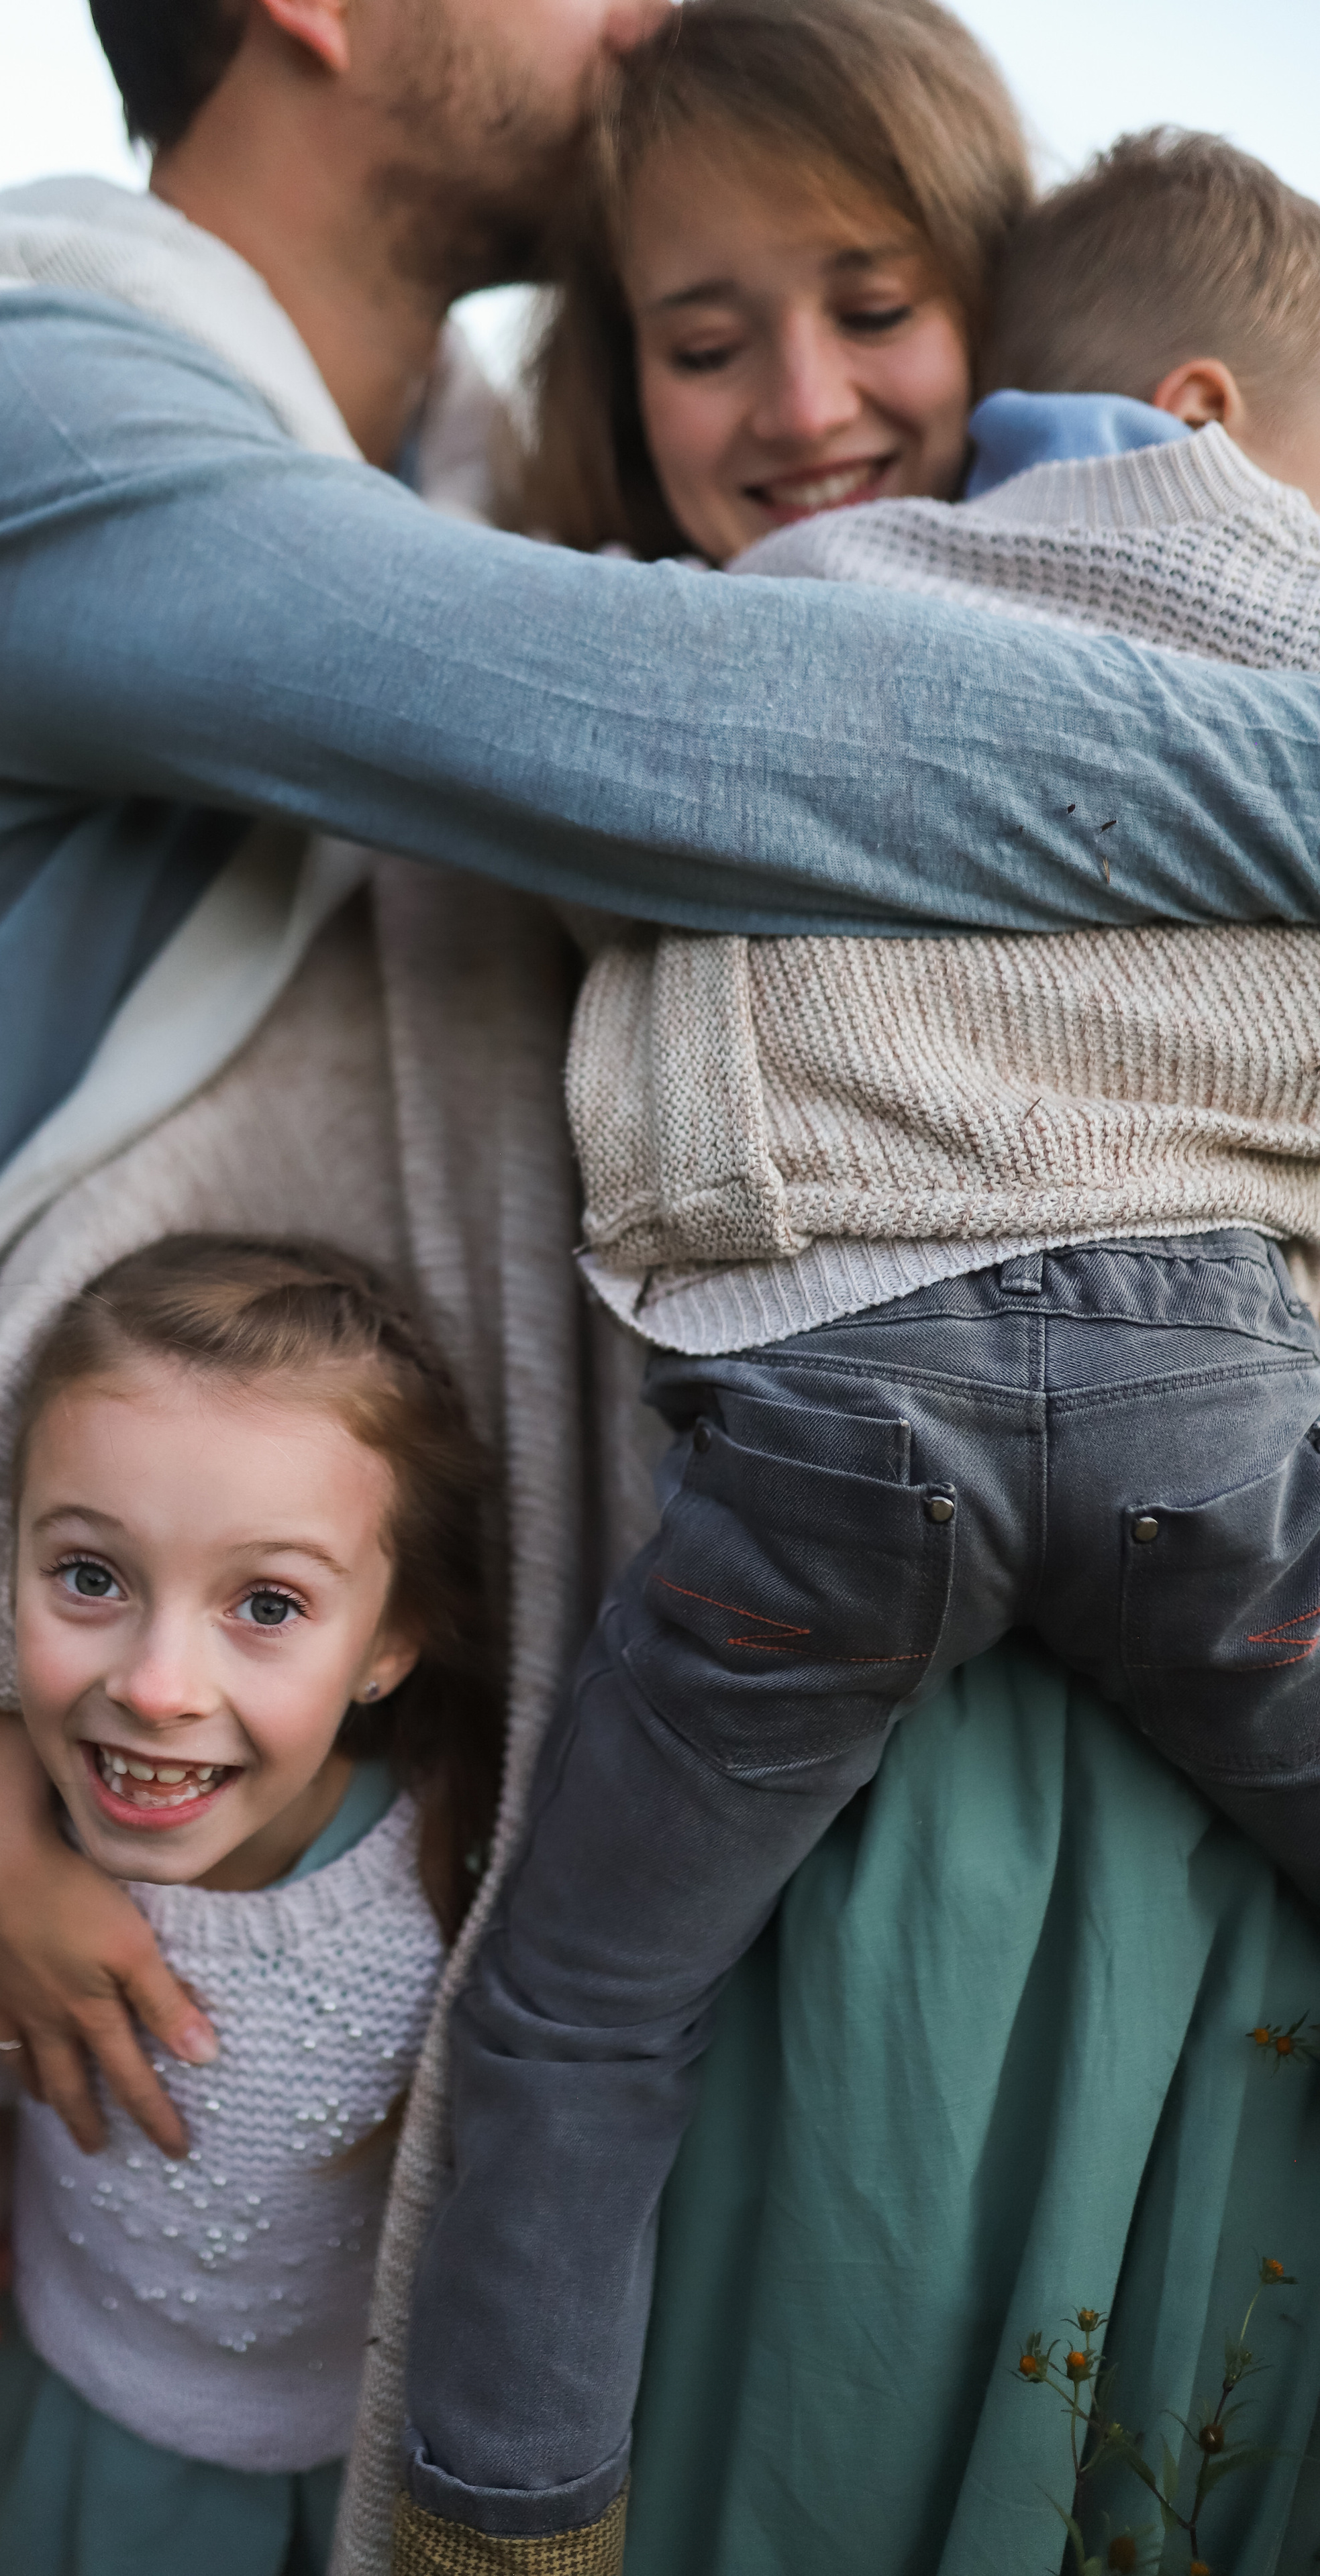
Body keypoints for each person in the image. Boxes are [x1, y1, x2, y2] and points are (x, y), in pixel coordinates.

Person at [0, 0, 1320, 2568]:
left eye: (873, 305)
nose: (629, 15)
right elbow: (704, 730)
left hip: (157, 1629)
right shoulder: (31, 405)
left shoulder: (388, 465)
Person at [403, 41, 1320, 2567]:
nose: (805, 408)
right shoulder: (1283, 614)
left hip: (832, 1433)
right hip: (1205, 1417)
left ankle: (505, 2514)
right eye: (705, 344)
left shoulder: (722, 645)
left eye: (876, 310)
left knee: (581, 2001)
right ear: (1213, 421)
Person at [0, 1235, 497, 2576]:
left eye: (267, 1603)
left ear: (391, 1640)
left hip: (339, 2445)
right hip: (77, 2378)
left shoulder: (448, 1896)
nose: (157, 1686)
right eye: (89, 1576)